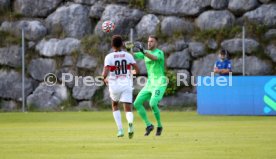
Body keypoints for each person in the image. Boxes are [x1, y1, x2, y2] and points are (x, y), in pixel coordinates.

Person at [102, 35, 140, 138]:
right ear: (122, 44)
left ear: (112, 45)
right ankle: (130, 123)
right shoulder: (128, 55)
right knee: (128, 107)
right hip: (126, 83)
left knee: (114, 105)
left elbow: (104, 74)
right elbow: (137, 70)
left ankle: (120, 130)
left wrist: (105, 79)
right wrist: (131, 74)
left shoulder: (109, 57)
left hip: (114, 84)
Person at [133, 35, 167, 136]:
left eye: (151, 41)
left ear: (156, 43)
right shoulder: (144, 53)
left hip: (160, 82)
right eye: (148, 41)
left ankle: (159, 126)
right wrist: (128, 48)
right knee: (137, 103)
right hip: (150, 83)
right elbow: (132, 56)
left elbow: (154, 58)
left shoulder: (159, 52)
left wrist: (143, 51)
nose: (149, 43)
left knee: (152, 103)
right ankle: (149, 125)